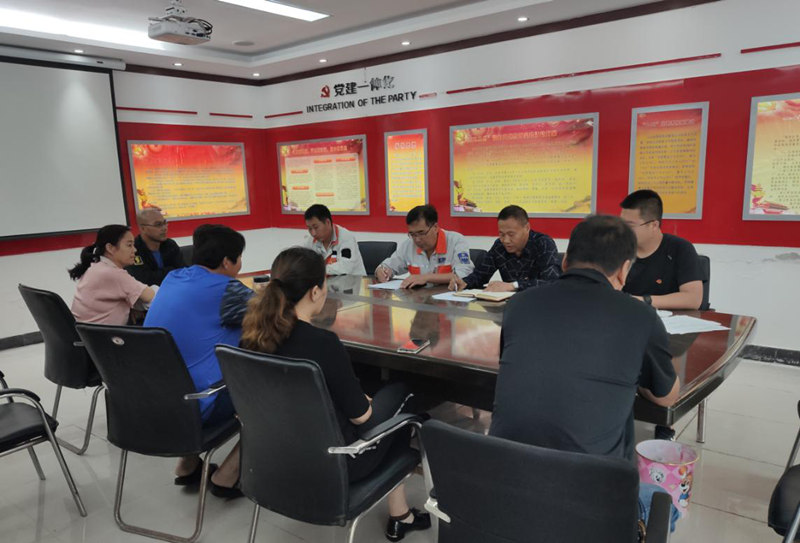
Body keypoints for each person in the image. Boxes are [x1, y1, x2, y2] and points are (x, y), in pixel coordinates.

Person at [489, 215, 681, 531]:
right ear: (624, 270)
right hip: (588, 497)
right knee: (663, 502)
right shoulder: (640, 316)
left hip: (502, 481)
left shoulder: (518, 305)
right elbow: (666, 397)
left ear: (565, 261)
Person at [240, 247, 431, 542]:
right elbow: (363, 418)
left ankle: (401, 513)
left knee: (380, 407)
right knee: (403, 394)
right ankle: (400, 515)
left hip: (274, 459)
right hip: (338, 463)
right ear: (316, 291)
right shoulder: (323, 342)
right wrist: (362, 401)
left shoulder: (251, 337)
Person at [144, 224, 253, 498]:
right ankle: (228, 476)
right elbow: (275, 316)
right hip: (197, 405)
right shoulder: (229, 290)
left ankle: (188, 464)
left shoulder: (173, 278)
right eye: (239, 257)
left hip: (149, 402)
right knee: (271, 392)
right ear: (227, 261)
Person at [620, 190, 703, 310]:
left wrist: (642, 301)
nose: (622, 231)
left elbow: (693, 299)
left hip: (670, 320)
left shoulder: (680, 248)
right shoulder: (617, 249)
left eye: (629, 226)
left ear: (654, 225)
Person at [449, 205, 560, 292]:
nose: (505, 240)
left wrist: (513, 285)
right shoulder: (499, 246)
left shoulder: (543, 243)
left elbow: (552, 282)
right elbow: (480, 275)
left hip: (537, 304)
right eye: (501, 234)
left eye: (511, 234)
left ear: (527, 228)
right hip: (508, 305)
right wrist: (464, 282)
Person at [69, 224, 156, 325]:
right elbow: (152, 296)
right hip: (104, 334)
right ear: (110, 248)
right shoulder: (112, 274)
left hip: (87, 332)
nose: (135, 250)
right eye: (129, 245)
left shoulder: (96, 267)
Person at [375, 205, 473, 288]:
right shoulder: (408, 245)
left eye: (421, 233)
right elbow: (389, 265)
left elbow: (464, 274)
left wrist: (426, 277)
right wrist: (382, 271)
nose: (417, 239)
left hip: (448, 299)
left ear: (435, 228)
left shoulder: (456, 241)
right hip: (419, 300)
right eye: (412, 234)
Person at [125, 208, 186, 285]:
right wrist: (170, 270)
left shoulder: (170, 244)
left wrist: (159, 274)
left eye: (165, 223)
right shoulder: (133, 249)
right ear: (143, 228)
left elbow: (183, 271)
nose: (164, 228)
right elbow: (144, 280)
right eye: (158, 225)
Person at [303, 204, 366, 276]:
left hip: (351, 281)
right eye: (309, 228)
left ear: (327, 222)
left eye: (316, 227)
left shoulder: (346, 237)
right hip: (327, 281)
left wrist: (318, 270)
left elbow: (345, 267)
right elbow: (301, 260)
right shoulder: (311, 240)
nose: (313, 233)